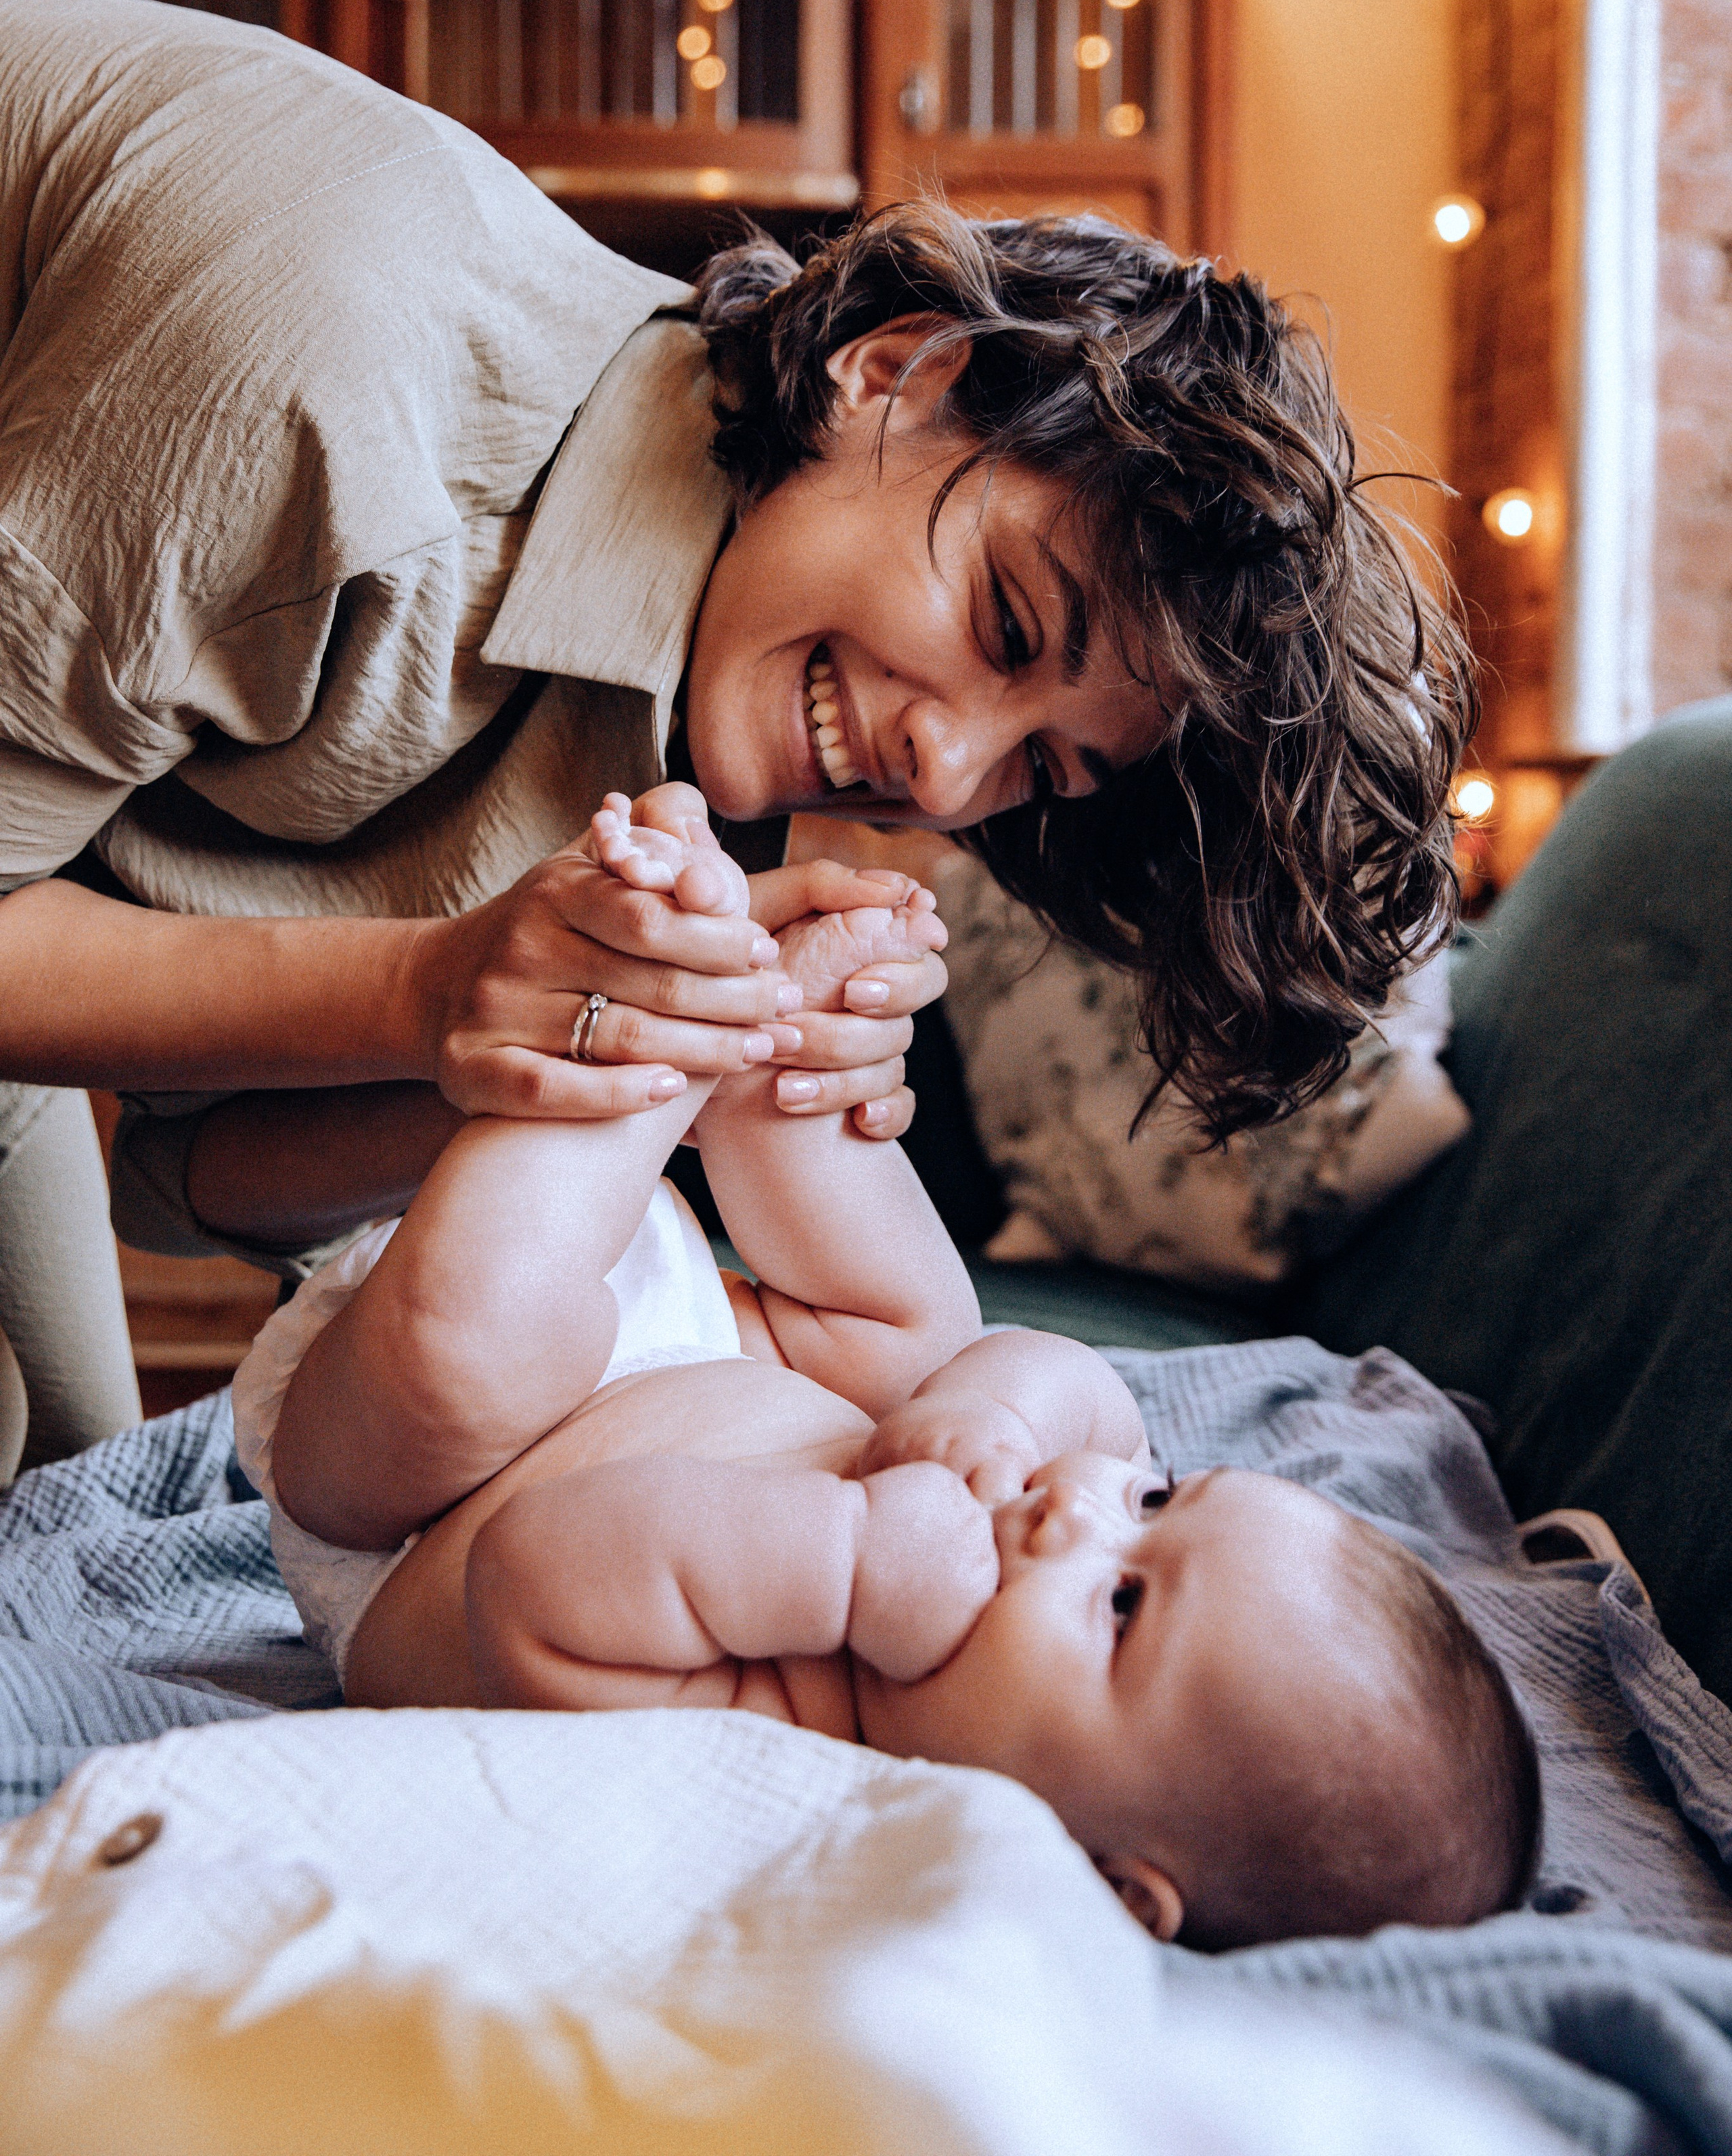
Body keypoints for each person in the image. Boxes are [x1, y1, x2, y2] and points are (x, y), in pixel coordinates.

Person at [0, 0, 1471, 1464]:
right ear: (894, 370)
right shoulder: (333, 375)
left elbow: (209, 1173)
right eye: (1007, 627)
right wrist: (418, 988)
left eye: (1040, 765)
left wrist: (644, 1062)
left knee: (64, 1488)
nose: (945, 773)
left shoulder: (694, 741)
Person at [228, 792, 1538, 1952]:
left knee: (472, 1358)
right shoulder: (1034, 1515)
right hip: (691, 1340)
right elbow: (1068, 1384)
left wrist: (855, 1558)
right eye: (1157, 1505)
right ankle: (776, 1073)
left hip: (408, 1490)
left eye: (1123, 1605)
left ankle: (651, 1043)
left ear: (1092, 1880)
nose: (1080, 1511)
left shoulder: (781, 1797)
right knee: (923, 1344)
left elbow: (549, 1562)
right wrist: (986, 1404)